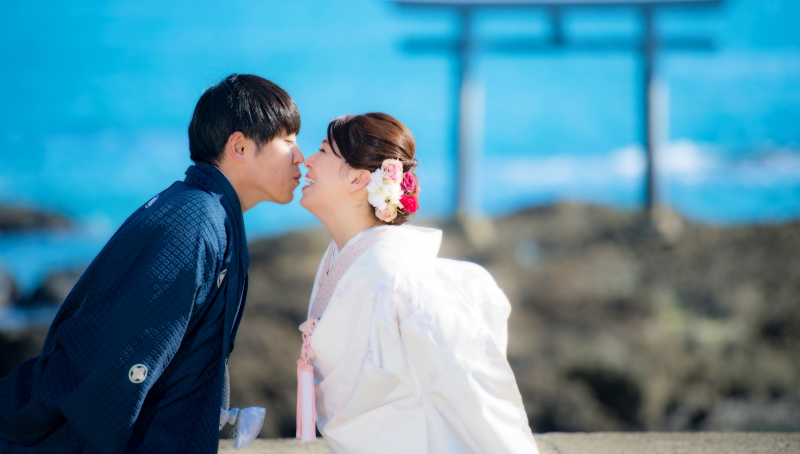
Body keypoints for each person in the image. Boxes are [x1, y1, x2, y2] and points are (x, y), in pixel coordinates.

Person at [0, 74, 305, 453]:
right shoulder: (194, 222)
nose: (300, 156)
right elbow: (118, 364)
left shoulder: (201, 211)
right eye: (287, 141)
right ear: (240, 146)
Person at [297, 113, 538, 454]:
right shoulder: (347, 259)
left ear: (357, 180)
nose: (308, 160)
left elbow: (471, 389)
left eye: (323, 151)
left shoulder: (398, 279)